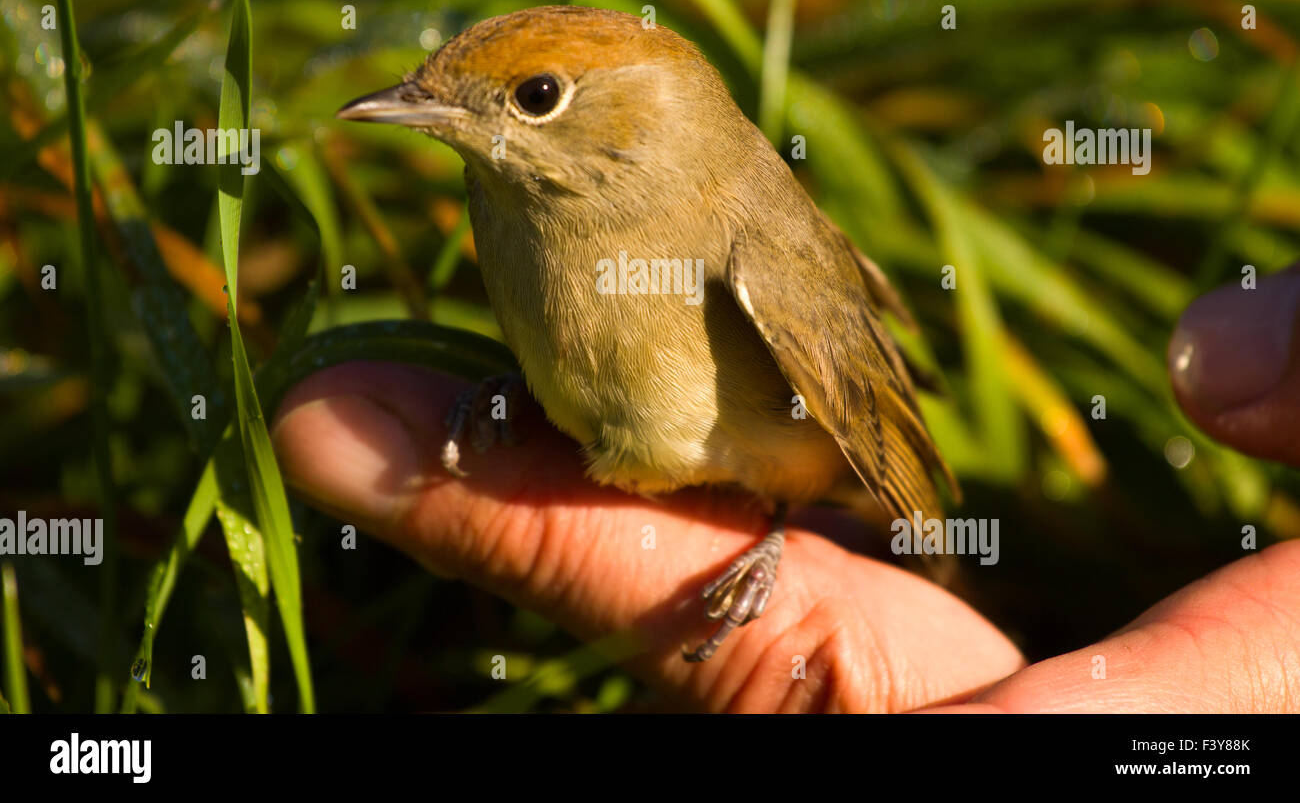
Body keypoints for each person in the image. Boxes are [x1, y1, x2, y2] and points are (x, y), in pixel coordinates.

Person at [270, 263, 1300, 712]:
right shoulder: (512, 207)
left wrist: (915, 536)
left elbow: (875, 428)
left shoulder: (746, 269)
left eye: (534, 98)